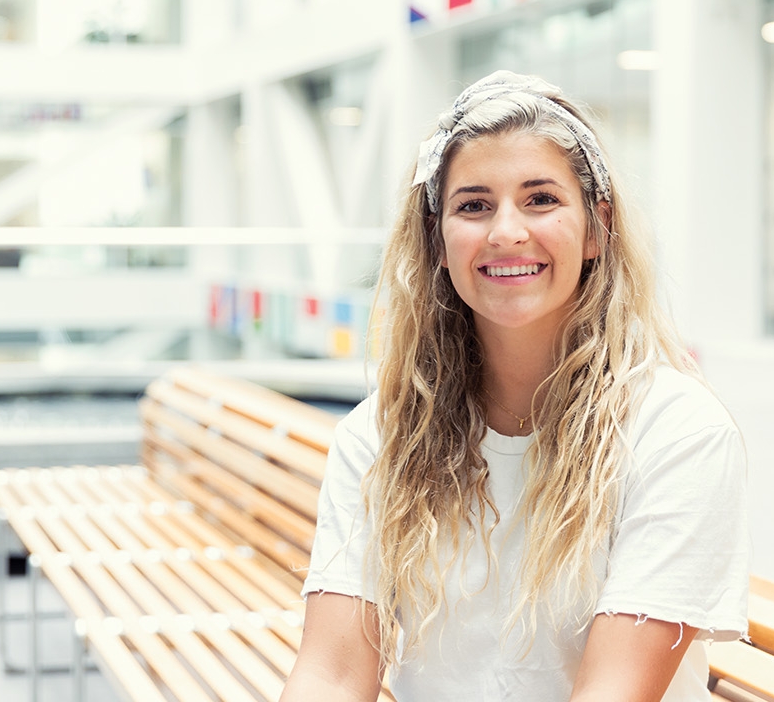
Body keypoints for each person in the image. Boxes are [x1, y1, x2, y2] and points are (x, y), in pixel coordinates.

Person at [280, 71, 750, 702]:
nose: (506, 231)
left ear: (597, 229)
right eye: (473, 205)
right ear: (437, 241)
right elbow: (331, 675)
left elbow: (612, 694)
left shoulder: (677, 433)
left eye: (540, 199)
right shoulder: (380, 436)